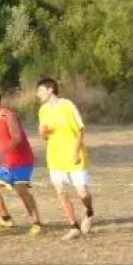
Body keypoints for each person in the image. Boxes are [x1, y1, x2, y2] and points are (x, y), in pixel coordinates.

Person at [36, 77, 94, 241]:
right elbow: (45, 137)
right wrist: (43, 132)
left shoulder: (67, 106)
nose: (37, 94)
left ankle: (89, 212)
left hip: (74, 156)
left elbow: (80, 131)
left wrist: (76, 153)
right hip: (55, 157)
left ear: (50, 89)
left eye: (40, 90)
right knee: (60, 190)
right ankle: (73, 226)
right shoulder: (43, 110)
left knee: (82, 192)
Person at [0, 88, 42, 235]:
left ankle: (37, 223)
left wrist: (5, 149)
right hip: (7, 163)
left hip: (21, 160)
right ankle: (6, 219)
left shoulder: (8, 115)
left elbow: (17, 137)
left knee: (22, 192)